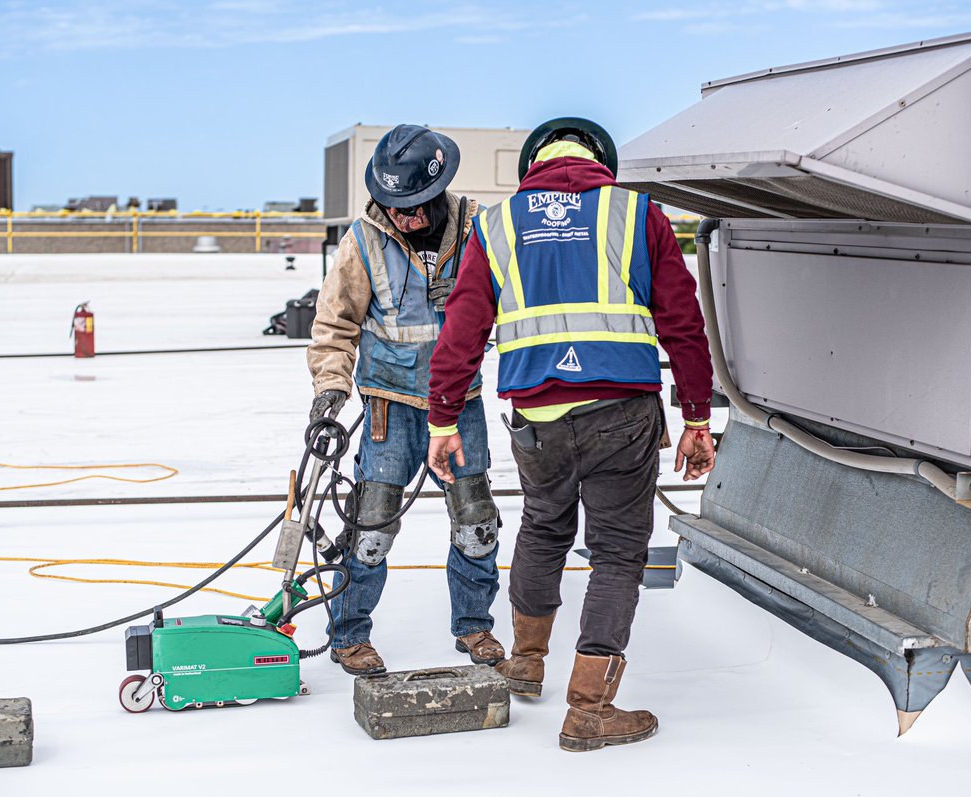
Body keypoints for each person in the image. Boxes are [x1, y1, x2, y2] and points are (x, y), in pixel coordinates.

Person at [426, 117, 716, 751]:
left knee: (543, 526)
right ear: (598, 159)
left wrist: (443, 417)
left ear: (534, 163)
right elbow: (684, 322)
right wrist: (696, 415)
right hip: (621, 413)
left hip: (537, 417)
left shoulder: (497, 225)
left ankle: (526, 666)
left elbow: (463, 328)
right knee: (616, 552)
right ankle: (588, 709)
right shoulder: (638, 215)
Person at [306, 124, 505, 676]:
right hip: (389, 408)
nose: (405, 218)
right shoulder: (363, 240)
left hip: (460, 404)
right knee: (370, 528)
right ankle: (348, 634)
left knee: (476, 521)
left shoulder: (479, 231)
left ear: (438, 193)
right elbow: (334, 324)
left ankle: (474, 627)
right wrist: (329, 392)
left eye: (415, 208)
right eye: (396, 207)